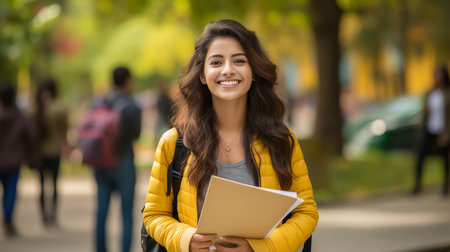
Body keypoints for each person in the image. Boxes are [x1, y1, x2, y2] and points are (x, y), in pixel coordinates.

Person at [143, 19, 318, 252]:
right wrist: (185, 239)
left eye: (239, 61)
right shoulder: (175, 143)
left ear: (253, 72)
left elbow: (306, 213)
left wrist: (260, 247)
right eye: (216, 62)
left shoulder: (281, 140)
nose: (228, 69)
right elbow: (154, 215)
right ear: (203, 75)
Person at [93, 67, 141, 252]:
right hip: (123, 161)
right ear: (128, 80)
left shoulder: (99, 102)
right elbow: (136, 134)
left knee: (101, 212)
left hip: (101, 161)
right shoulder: (131, 105)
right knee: (127, 213)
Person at [30, 78, 68, 227]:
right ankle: (53, 215)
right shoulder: (59, 108)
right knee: (54, 185)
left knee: (41, 185)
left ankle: (43, 216)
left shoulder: (33, 108)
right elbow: (64, 131)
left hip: (39, 153)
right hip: (54, 152)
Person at [0, 80, 36, 237]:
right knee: (11, 193)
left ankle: (7, 221)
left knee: (9, 192)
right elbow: (31, 135)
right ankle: (8, 220)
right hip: (14, 161)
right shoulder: (19, 115)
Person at [414, 64, 450, 197]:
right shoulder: (430, 92)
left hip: (443, 130)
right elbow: (425, 111)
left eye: (439, 74)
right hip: (429, 129)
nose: (437, 77)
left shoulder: (447, 93)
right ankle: (417, 186)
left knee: (444, 159)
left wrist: (446, 135)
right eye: (435, 74)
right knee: (420, 156)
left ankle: (446, 187)